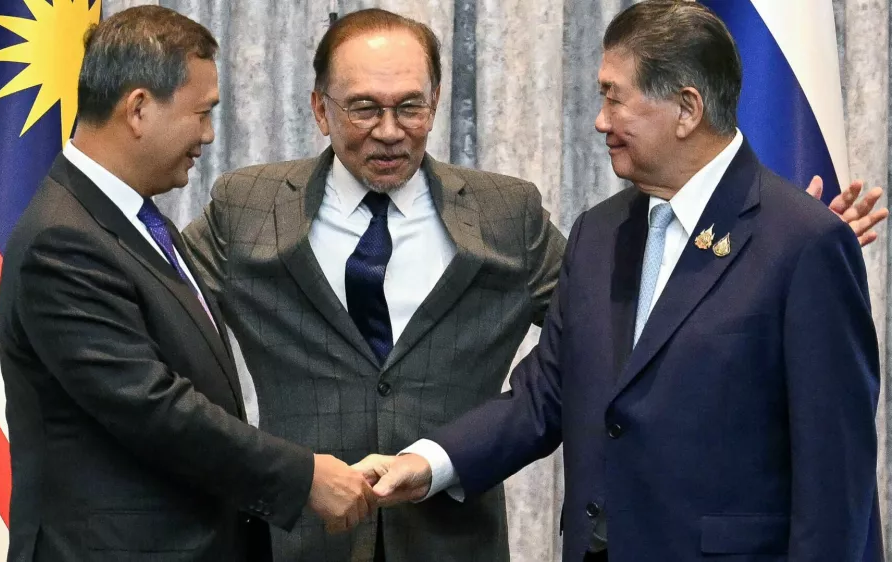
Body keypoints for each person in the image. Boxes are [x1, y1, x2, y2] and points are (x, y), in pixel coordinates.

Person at [0, 6, 887, 562]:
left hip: (450, 547)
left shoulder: (516, 216)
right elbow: (160, 296)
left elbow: (600, 357)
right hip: (299, 545)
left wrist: (780, 247)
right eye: (363, 107)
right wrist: (14, 303)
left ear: (438, 107)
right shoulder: (248, 205)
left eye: (411, 106)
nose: (388, 128)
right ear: (320, 108)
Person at [355, 2, 884, 561]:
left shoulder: (802, 243)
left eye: (614, 96)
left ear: (686, 108)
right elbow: (546, 393)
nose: (600, 120)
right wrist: (429, 462)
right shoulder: (600, 232)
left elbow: (836, 474)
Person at [0, 7, 376, 561]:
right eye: (202, 113)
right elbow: (155, 408)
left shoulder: (130, 219)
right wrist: (303, 478)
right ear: (138, 108)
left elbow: (141, 331)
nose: (208, 135)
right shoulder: (65, 237)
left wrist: (13, 311)